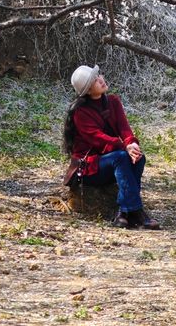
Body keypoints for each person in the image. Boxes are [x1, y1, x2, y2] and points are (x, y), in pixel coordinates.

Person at [63, 64, 160, 229]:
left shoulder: (113, 101)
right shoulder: (81, 112)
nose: (100, 80)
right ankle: (137, 211)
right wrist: (124, 148)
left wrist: (132, 144)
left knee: (139, 159)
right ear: (87, 90)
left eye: (98, 76)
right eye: (94, 81)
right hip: (90, 168)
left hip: (112, 160)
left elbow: (124, 129)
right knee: (121, 157)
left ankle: (123, 212)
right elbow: (99, 139)